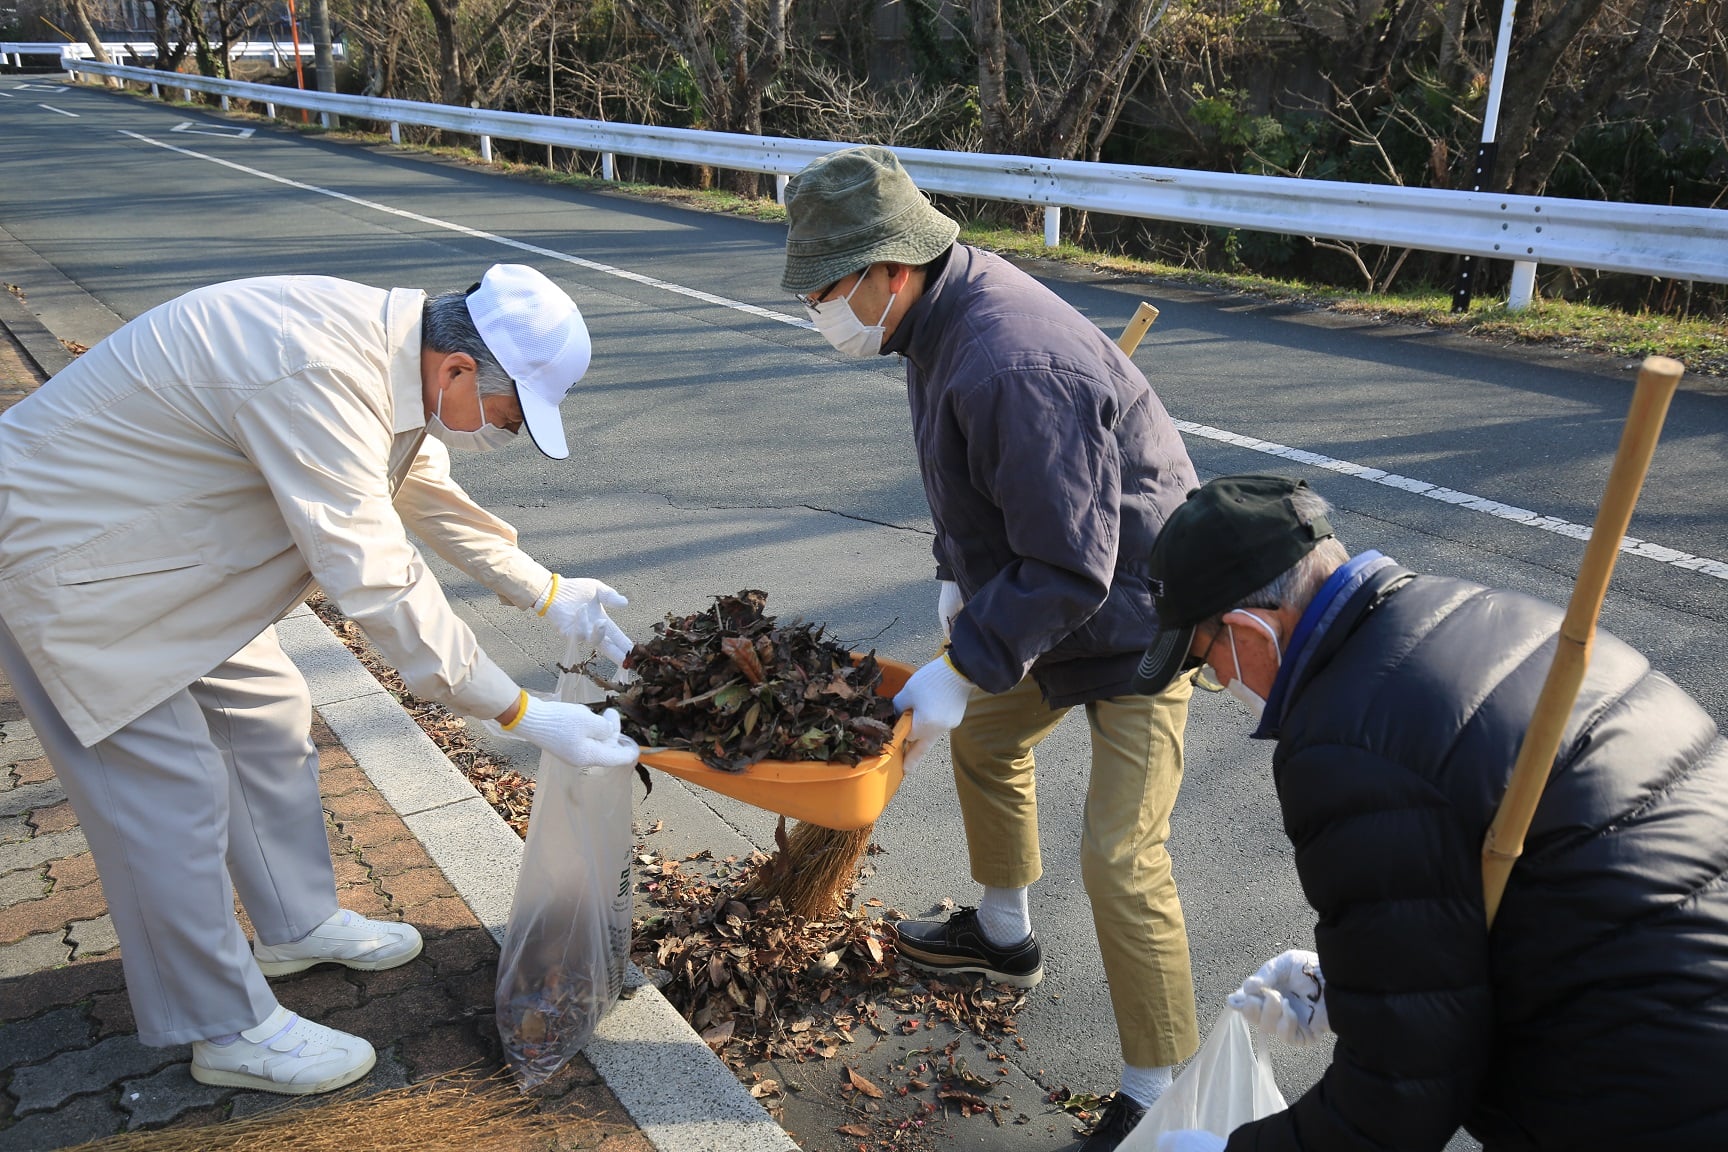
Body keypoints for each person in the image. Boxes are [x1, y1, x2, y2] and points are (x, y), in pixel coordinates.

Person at [0, 263, 641, 1096]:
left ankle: (293, 923)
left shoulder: (394, 358)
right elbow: (376, 576)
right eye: (508, 415)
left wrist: (549, 592)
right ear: (457, 369)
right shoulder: (320, 369)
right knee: (167, 797)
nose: (502, 432)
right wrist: (518, 711)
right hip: (69, 564)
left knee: (267, 711)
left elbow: (422, 492)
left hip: (168, 561)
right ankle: (224, 1027)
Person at [779, 145, 1203, 1149]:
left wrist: (970, 659)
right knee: (984, 739)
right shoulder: (936, 323)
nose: (816, 310)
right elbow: (972, 484)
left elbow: (1069, 566)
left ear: (890, 269)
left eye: (827, 288)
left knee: (1121, 855)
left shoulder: (1008, 356)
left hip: (1141, 615)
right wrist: (955, 579)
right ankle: (1004, 938)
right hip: (1040, 593)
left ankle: (1165, 1095)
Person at [1132, 474, 1728, 1152]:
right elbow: (1553, 869)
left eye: (1208, 665)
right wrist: (1360, 984)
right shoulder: (1475, 612)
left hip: (1657, 1085)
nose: (1220, 683)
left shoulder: (1345, 743)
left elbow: (1397, 1097)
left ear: (1250, 631)